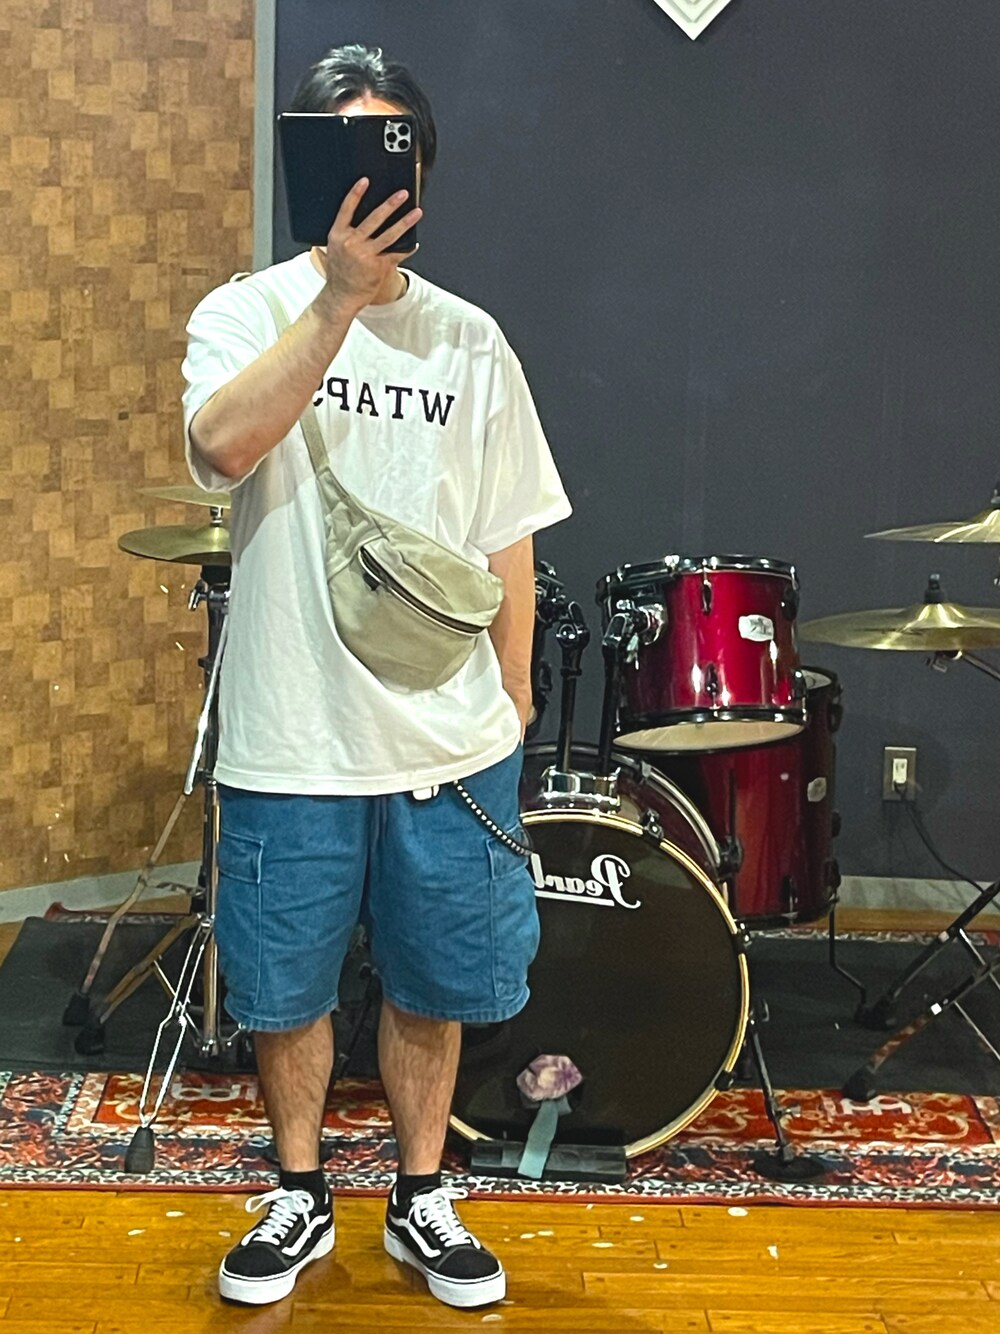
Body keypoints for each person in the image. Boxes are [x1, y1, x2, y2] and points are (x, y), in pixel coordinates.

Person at [181, 43, 571, 1311]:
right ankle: (299, 1189)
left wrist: (512, 691)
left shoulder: (471, 339)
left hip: (447, 739)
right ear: (305, 167)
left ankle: (419, 1193)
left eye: (390, 147)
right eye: (340, 147)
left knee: (437, 980)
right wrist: (336, 304)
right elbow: (220, 446)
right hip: (291, 730)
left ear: (422, 173)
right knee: (283, 986)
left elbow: (508, 528)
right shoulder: (245, 312)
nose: (367, 175)